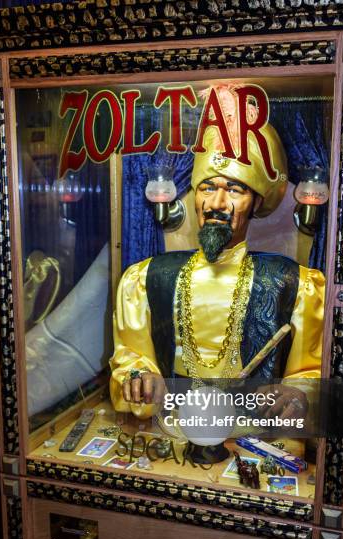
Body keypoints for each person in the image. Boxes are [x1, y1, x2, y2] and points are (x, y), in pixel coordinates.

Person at [110, 85, 325, 420]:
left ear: (255, 203)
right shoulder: (146, 279)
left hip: (254, 438)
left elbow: (310, 376)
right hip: (172, 431)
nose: (216, 204)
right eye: (207, 188)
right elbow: (130, 363)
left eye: (235, 190)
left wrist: (298, 395)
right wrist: (139, 380)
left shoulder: (295, 285)